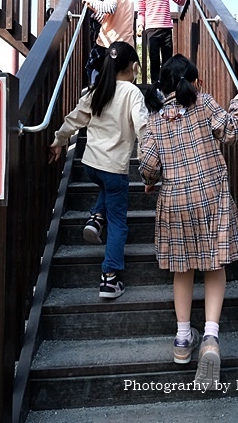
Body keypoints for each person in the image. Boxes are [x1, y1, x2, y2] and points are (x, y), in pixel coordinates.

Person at [139, 54, 238, 390]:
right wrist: (237, 101)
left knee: (183, 269)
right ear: (195, 81)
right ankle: (210, 337)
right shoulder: (204, 103)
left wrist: (151, 180)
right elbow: (235, 131)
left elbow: (147, 164)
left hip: (174, 200)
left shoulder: (156, 116)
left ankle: (181, 339)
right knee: (214, 266)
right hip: (210, 195)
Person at [49, 41, 148, 299]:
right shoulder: (132, 93)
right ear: (134, 66)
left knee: (107, 189)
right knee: (119, 224)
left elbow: (74, 119)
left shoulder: (97, 90)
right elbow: (143, 128)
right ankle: (109, 278)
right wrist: (149, 160)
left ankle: (95, 217)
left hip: (91, 165)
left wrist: (59, 141)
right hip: (114, 169)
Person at [136, 0, 192, 83]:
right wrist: (140, 26)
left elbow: (179, 1)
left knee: (167, 60)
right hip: (151, 30)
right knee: (154, 59)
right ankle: (156, 85)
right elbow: (141, 12)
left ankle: (167, 84)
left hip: (166, 29)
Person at [82, 0, 135, 85]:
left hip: (107, 44)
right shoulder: (129, 0)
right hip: (125, 47)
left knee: (93, 68)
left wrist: (91, 2)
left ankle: (95, 91)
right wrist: (95, 9)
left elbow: (109, 8)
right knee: (117, 78)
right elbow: (106, 19)